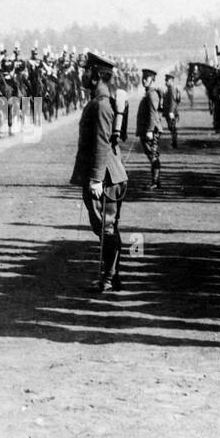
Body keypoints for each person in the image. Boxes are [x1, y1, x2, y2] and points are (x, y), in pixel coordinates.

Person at [70, 52, 129, 293]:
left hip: (105, 178)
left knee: (106, 229)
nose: (81, 75)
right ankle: (112, 276)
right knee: (107, 228)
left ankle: (108, 278)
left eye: (85, 71)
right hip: (105, 176)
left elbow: (102, 143)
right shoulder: (99, 102)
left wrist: (94, 178)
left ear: (94, 75)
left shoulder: (102, 104)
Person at [135, 67, 163, 189]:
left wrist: (150, 130)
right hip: (148, 130)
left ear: (152, 80)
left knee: (153, 155)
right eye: (143, 78)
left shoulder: (151, 94)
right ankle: (156, 181)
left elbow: (153, 113)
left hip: (151, 131)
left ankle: (155, 182)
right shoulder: (149, 93)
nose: (143, 80)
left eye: (146, 78)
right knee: (152, 155)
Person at [162, 72, 182, 147]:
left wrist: (171, 112)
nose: (166, 82)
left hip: (171, 112)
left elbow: (172, 101)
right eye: (166, 80)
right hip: (171, 111)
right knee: (171, 127)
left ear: (171, 81)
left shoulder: (172, 89)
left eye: (167, 80)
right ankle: (174, 142)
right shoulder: (170, 89)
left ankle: (174, 143)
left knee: (172, 127)